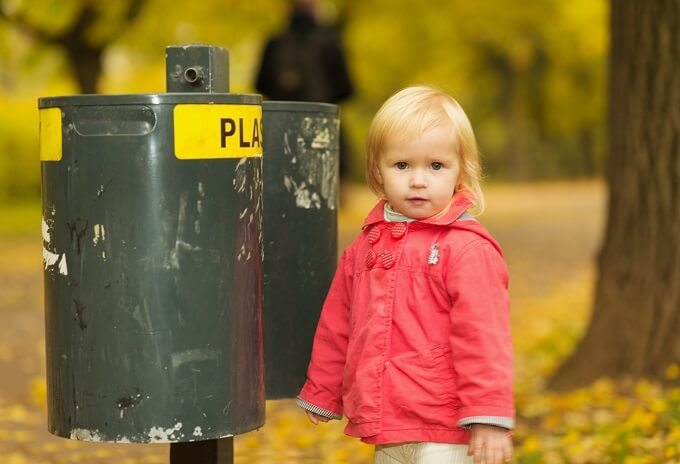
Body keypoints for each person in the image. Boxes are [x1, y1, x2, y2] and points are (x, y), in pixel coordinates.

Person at [296, 85, 514, 464]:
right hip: (389, 427)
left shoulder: (465, 249)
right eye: (402, 165)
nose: (418, 180)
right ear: (377, 174)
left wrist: (489, 417)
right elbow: (337, 326)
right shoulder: (363, 250)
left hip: (448, 428)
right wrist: (323, 390)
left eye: (435, 166)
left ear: (460, 171)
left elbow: (484, 336)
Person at [254, 0, 354, 178]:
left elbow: (260, 84)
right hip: (322, 131)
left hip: (280, 133)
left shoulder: (275, 42)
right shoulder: (330, 41)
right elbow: (346, 88)